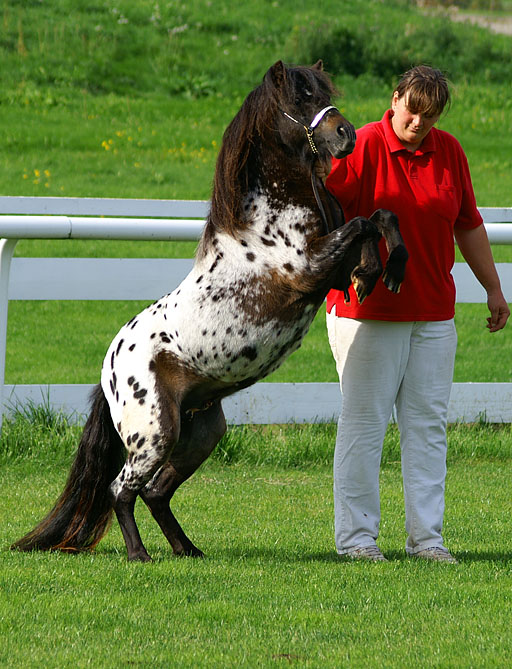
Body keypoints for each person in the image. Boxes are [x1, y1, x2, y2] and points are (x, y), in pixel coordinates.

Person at [325, 65, 509, 563]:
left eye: (430, 115)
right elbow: (323, 209)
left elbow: (468, 225)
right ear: (395, 98)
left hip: (433, 313)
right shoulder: (361, 145)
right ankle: (357, 540)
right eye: (412, 109)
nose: (418, 122)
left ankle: (427, 539)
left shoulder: (448, 152)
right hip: (367, 312)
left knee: (427, 426)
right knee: (364, 424)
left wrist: (493, 287)